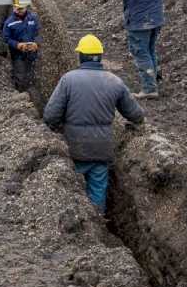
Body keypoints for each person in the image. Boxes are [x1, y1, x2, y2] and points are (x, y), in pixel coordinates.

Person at [43, 34, 144, 213]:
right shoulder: (115, 81)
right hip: (102, 148)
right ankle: (98, 222)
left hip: (75, 147)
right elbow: (135, 115)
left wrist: (55, 129)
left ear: (81, 56)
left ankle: (83, 226)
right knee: (97, 190)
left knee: (74, 189)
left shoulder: (69, 80)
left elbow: (51, 115)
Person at [96, 0, 167, 99]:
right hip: (155, 18)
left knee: (140, 51)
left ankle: (149, 89)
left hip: (140, 20)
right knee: (149, 49)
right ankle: (153, 79)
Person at [1, 4, 41, 92]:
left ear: (26, 7)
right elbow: (6, 38)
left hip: (32, 52)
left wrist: (36, 43)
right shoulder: (9, 22)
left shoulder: (33, 18)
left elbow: (38, 32)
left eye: (21, 8)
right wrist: (17, 45)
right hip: (18, 54)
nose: (19, 10)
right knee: (20, 74)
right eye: (17, 8)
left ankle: (32, 91)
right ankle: (21, 92)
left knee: (32, 73)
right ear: (13, 8)